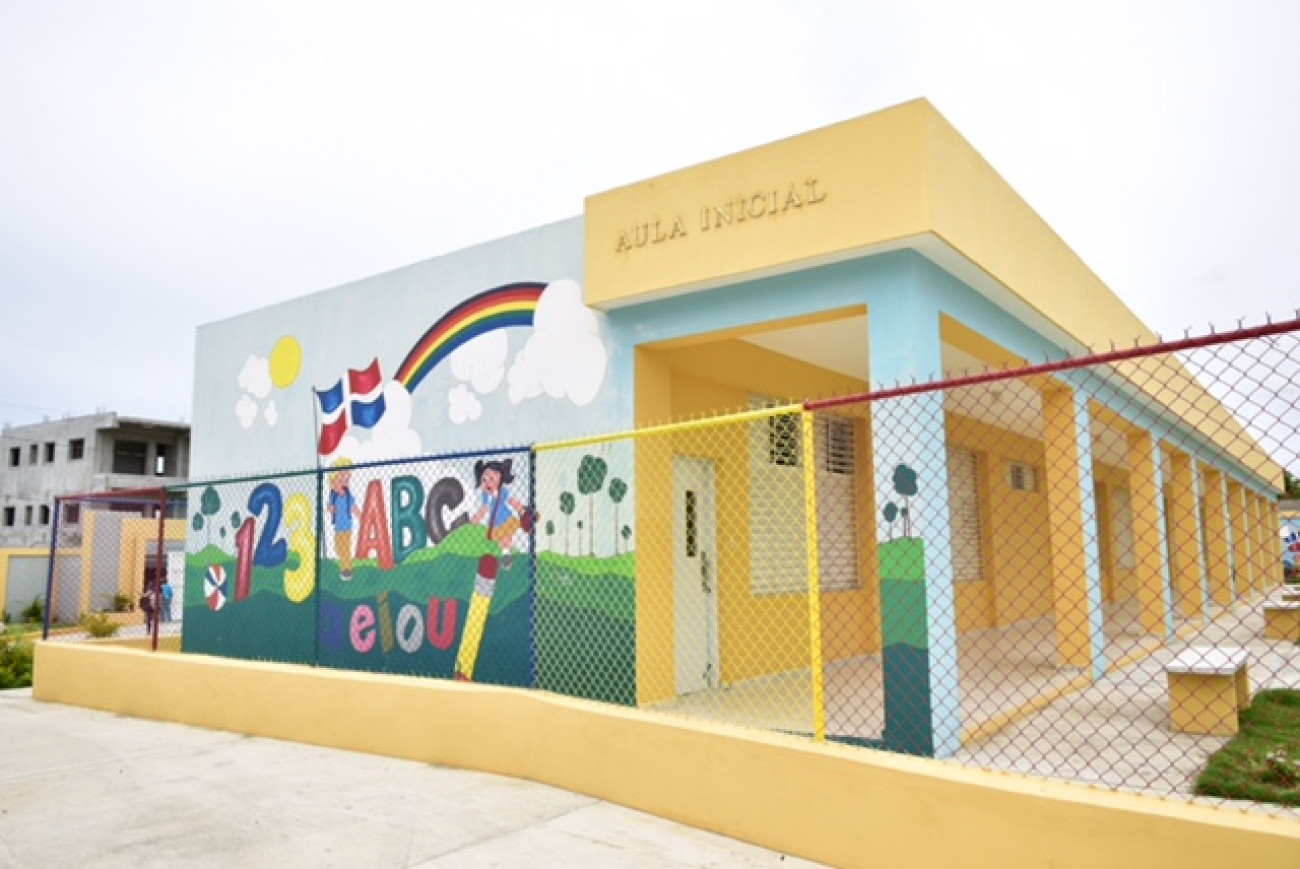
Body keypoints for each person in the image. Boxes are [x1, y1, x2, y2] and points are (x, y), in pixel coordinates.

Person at [455, 459, 535, 681]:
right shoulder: (486, 497)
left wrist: (522, 510)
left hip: (507, 519)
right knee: (502, 540)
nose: (487, 481)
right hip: (496, 527)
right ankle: (509, 547)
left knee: (507, 537)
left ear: (500, 478)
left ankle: (516, 536)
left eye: (491, 477)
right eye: (484, 478)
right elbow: (483, 511)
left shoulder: (504, 493)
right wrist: (474, 521)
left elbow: (515, 502)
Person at [327, 463, 361, 580]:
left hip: (347, 527)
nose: (339, 484)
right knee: (338, 549)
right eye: (338, 481)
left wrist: (361, 517)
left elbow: (354, 508)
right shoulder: (333, 496)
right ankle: (346, 566)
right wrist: (331, 509)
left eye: (345, 480)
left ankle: (347, 570)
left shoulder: (348, 496)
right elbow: (330, 507)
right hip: (338, 528)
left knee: (345, 549)